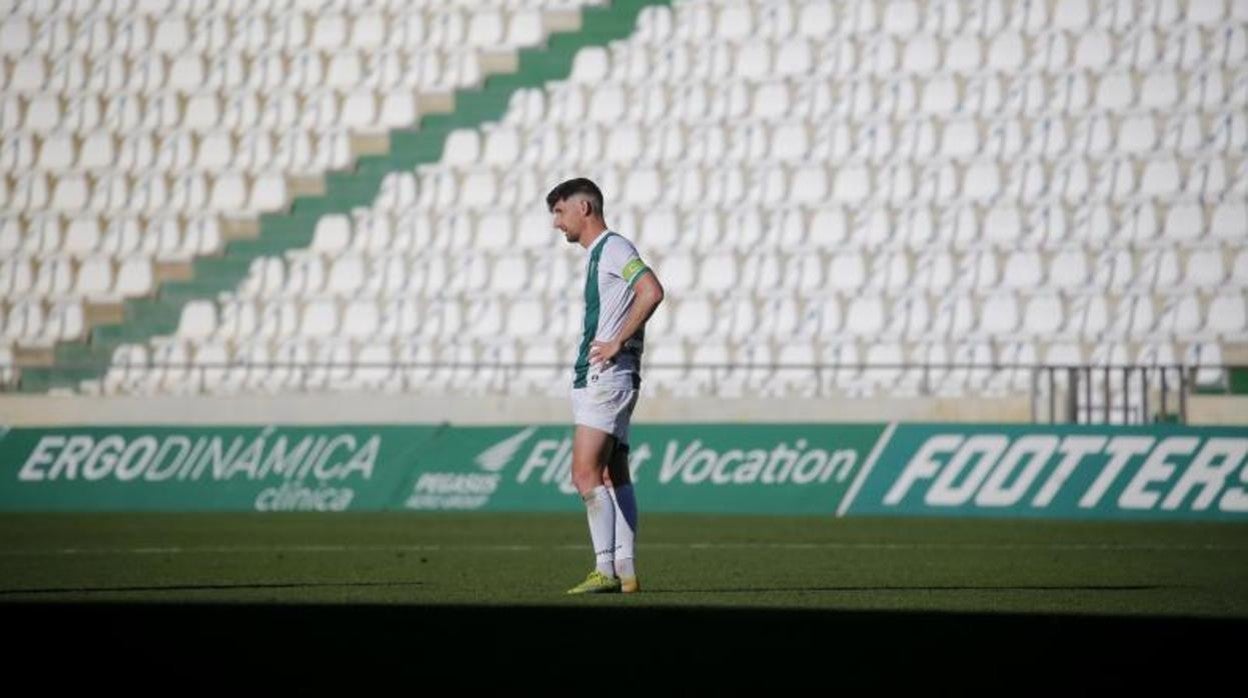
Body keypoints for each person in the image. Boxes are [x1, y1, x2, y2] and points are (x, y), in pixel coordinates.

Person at [546, 177, 664, 594]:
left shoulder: (614, 247)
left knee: (584, 474)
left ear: (584, 209)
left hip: (605, 378)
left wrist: (618, 341)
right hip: (610, 377)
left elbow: (651, 290)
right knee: (614, 474)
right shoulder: (602, 254)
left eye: (560, 212)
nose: (557, 223)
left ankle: (605, 569)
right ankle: (626, 569)